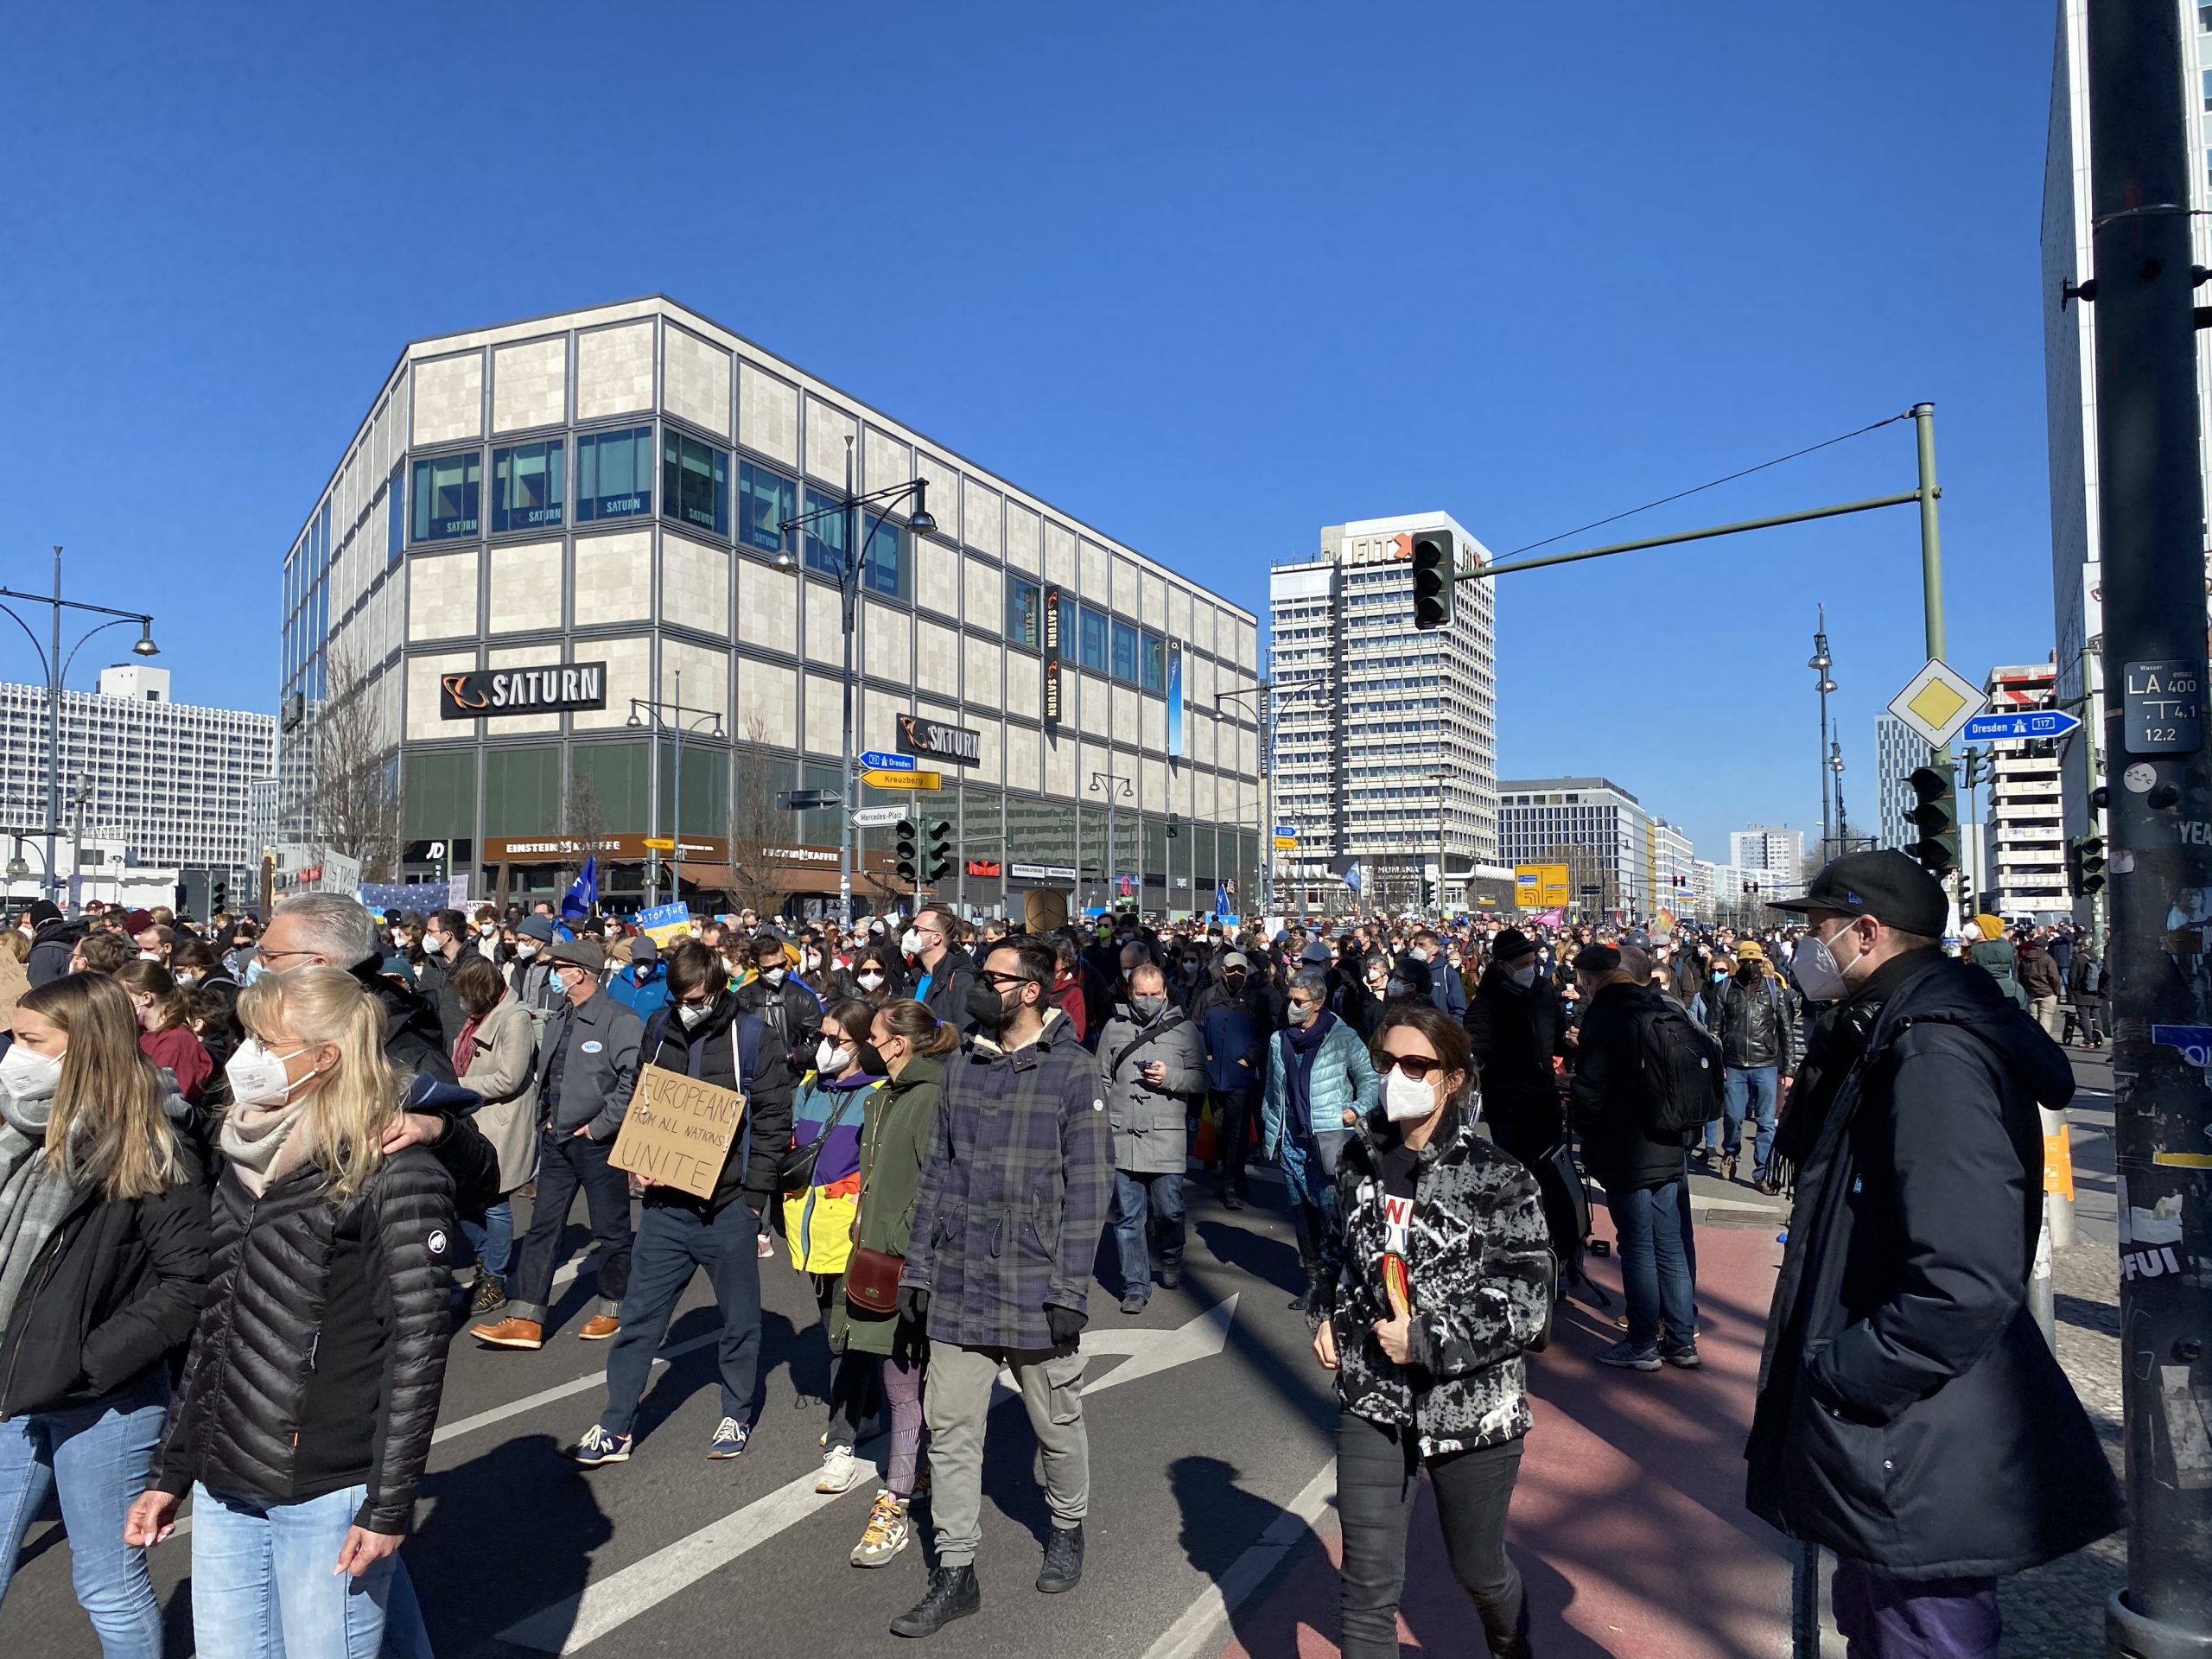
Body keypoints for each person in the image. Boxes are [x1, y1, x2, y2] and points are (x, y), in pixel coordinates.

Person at [1750, 851, 2122, 1657]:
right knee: (1882, 1625)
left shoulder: (1931, 1054)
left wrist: (1846, 1376)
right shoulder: (1891, 1028)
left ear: (1868, 933)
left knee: (1919, 1633)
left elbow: (1963, 1276)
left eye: (1817, 931)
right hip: (1902, 1434)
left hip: (1913, 1435)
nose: (1806, 950)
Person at [125, 965, 459, 1657]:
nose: (245, 1057)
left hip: (324, 1484)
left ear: (325, 1056)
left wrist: (389, 1502)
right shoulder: (244, 1157)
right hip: (228, 1475)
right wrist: (171, 1469)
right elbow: (219, 1326)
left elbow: (418, 1343)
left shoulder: (394, 1170)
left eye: (265, 1041)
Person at [1311, 1003, 1548, 1659]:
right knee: (1365, 1586)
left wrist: (1425, 1338)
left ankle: (1509, 1643)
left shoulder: (1500, 1177)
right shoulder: (1358, 1163)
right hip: (1371, 1396)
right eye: (1387, 1062)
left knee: (1479, 1571)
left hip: (1471, 1408)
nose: (1397, 1077)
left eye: (1416, 1064)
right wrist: (1326, 1312)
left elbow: (1526, 1303)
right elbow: (1332, 1255)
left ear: (1453, 1078)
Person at [890, 938, 1110, 1637]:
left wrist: (1071, 1291)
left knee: (1057, 1424)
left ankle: (1068, 1525)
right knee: (951, 1430)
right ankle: (956, 1571)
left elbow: (1090, 1192)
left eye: (995, 979)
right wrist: (919, 1272)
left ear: (1032, 992)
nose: (981, 988)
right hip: (959, 1281)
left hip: (1036, 1283)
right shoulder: (964, 1066)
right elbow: (938, 1176)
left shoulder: (1074, 1073)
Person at [0, 974, 209, 1656]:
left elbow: (186, 1283)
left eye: (32, 1041)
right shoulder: (19, 1127)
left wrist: (88, 1364)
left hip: (103, 1401)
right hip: (13, 1383)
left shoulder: (151, 1141)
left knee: (106, 1582)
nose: (15, 1053)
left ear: (83, 1047)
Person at [563, 940, 791, 1465]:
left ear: (716, 990)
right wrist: (637, 1157)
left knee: (739, 1321)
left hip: (727, 1208)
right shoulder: (660, 1028)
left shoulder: (753, 1037)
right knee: (639, 1318)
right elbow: (644, 1100)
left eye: (696, 998)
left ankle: (736, 1411)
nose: (687, 1007)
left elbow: (775, 1123)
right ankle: (615, 1424)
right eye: (679, 998)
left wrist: (754, 1202)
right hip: (665, 1209)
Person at [473, 938, 644, 1350]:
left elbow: (633, 1081)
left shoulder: (619, 1020)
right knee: (543, 1228)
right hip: (557, 1139)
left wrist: (600, 1126)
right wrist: (547, 1121)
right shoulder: (562, 1015)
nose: (554, 974)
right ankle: (526, 1317)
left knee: (611, 1229)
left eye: (559, 967)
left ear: (579, 973)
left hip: (598, 1142)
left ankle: (613, 1305)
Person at [845, 1000, 952, 1569]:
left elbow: (939, 1185)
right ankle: (919, 1472)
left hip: (914, 1268)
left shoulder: (931, 1098)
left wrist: (905, 1245)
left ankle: (896, 1500)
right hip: (879, 1260)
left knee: (907, 1390)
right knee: (904, 1387)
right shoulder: (879, 1098)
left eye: (874, 1034)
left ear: (899, 1044)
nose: (865, 1040)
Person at [1568, 942, 1700, 1370]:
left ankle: (1642, 1341)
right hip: (1668, 1136)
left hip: (1627, 1144)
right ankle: (1681, 1340)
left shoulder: (1604, 1016)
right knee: (1671, 1244)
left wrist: (1586, 1130)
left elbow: (1590, 1090)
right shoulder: (1659, 1004)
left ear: (1590, 979)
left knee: (1638, 1245)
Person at [782, 999, 887, 1491]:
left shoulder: (880, 1094)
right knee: (833, 1330)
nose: (824, 1048)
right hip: (813, 1234)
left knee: (847, 1337)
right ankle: (867, 1412)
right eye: (822, 1037)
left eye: (836, 1040)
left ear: (865, 1045)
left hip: (855, 1235)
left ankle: (843, 1437)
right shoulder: (809, 1088)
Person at [1263, 967, 1381, 1312]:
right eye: (1290, 1000)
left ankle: (1339, 1283)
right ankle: (1314, 1282)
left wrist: (1355, 1110)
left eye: (1299, 1002)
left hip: (1329, 1139)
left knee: (1332, 1212)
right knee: (1302, 1215)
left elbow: (1370, 1080)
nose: (1292, 1006)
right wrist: (1271, 1134)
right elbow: (1273, 1092)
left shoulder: (1342, 1037)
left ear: (1317, 1003)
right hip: (1291, 1141)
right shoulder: (1278, 1040)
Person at [1096, 962, 1207, 1313]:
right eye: (1141, 995)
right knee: (1128, 1216)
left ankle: (1172, 1256)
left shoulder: (1184, 1029)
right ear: (1130, 992)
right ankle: (1135, 1285)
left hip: (1165, 1136)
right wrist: (1100, 1117)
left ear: (1165, 993)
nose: (1148, 1001)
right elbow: (1100, 1077)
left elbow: (1202, 1079)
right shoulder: (1113, 1028)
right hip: (1121, 1135)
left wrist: (1171, 1076)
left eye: (1155, 995)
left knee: (1169, 1210)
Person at [449, 953, 542, 1316]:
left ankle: (495, 1277)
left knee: (495, 1202)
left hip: (499, 1123)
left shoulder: (514, 1018)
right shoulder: (479, 1018)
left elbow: (509, 1077)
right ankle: (486, 1262)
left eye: (466, 993)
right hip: (474, 1122)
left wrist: (456, 1085)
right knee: (466, 1201)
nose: (462, 1002)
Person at [1462, 928, 1564, 1170]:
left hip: (1546, 1098)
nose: (1530, 968)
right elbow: (1486, 1057)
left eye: (1532, 962)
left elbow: (1557, 1031)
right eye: (1523, 964)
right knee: (1517, 1171)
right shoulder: (1485, 1006)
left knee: (1550, 1171)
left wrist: (1567, 1045)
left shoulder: (1542, 990)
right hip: (1509, 1106)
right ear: (1504, 965)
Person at [1703, 941, 1798, 1190]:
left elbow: (1785, 1031)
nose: (1750, 967)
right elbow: (1714, 1031)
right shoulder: (1725, 988)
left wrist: (1788, 1069)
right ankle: (1731, 1151)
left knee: (1766, 1122)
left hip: (1766, 1063)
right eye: (1745, 962)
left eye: (1754, 962)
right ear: (1739, 963)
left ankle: (1763, 1173)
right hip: (1734, 1063)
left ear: (1761, 962)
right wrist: (1716, 1064)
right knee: (1733, 1116)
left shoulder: (1773, 989)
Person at [1192, 950, 1273, 1211]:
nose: (1237, 975)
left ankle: (1231, 1184)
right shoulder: (1208, 997)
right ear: (1223, 972)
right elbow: (1196, 1028)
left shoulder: (1255, 1000)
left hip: (1241, 1076)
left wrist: (1248, 1059)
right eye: (1232, 970)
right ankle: (1232, 1175)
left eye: (1242, 970)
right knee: (1219, 1129)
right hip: (1214, 1076)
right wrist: (1205, 1057)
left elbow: (1264, 1035)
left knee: (1236, 1132)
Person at [906, 906, 978, 1031]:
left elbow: (964, 1034)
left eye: (916, 929)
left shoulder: (961, 980)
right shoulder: (914, 977)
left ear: (936, 938)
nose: (910, 934)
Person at [412, 907, 469, 1052]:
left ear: (448, 935)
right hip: (433, 1045)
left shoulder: (474, 965)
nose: (427, 936)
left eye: (431, 932)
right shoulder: (431, 964)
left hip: (463, 1046)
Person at [608, 934, 672, 1023]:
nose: (643, 966)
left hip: (650, 1035)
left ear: (656, 956)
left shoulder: (668, 983)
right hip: (620, 1034)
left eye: (647, 961)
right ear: (630, 956)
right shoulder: (618, 981)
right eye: (638, 961)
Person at [2017, 931, 2063, 1041]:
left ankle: (2033, 1040)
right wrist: (2057, 992)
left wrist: (2026, 989)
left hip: (2032, 992)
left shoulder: (2025, 958)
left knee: (2032, 1016)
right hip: (2047, 992)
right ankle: (2044, 1041)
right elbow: (2055, 978)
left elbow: (2020, 975)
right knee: (2046, 1017)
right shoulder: (2047, 959)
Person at [2067, 937, 2106, 1048]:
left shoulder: (2078, 958)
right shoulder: (2096, 957)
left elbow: (2072, 977)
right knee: (2095, 1016)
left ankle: (2088, 1040)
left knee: (2084, 1016)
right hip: (2095, 992)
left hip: (2081, 993)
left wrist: (2073, 988)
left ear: (2082, 946)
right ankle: (2098, 1037)